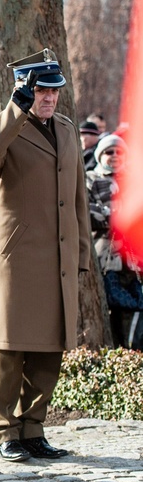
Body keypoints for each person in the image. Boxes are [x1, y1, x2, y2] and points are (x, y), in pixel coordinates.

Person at [0, 48, 90, 463]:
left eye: (55, 90)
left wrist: (81, 257)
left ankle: (33, 427)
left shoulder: (68, 130)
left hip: (57, 257)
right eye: (41, 91)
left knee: (49, 347)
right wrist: (14, 112)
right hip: (16, 256)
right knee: (8, 346)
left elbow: (78, 199)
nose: (49, 98)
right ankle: (3, 431)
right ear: (23, 90)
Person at [86, 135, 141, 349]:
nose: (115, 156)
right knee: (107, 316)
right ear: (100, 155)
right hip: (104, 261)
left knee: (132, 317)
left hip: (134, 264)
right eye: (110, 152)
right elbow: (87, 212)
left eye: (119, 152)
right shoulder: (90, 179)